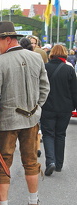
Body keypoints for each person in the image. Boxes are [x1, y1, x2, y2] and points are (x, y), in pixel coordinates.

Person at [0, 21, 50, 205]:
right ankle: (33, 203)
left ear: (8, 39)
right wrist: (37, 107)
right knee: (31, 161)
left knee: (2, 165)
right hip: (31, 119)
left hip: (6, 122)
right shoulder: (35, 57)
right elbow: (45, 88)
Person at [41, 44, 77, 176]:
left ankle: (50, 161)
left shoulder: (45, 68)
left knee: (48, 134)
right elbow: (74, 91)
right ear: (65, 54)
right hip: (65, 109)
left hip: (48, 107)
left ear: (51, 54)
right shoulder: (69, 69)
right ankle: (59, 164)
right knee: (61, 135)